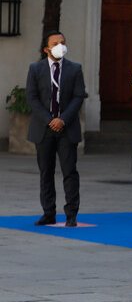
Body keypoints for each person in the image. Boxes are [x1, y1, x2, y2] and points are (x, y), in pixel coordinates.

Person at [26, 30, 87, 227]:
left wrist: (62, 119)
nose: (60, 45)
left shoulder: (75, 69)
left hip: (66, 128)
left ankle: (71, 214)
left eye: (63, 42)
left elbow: (79, 96)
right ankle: (48, 212)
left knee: (70, 171)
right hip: (44, 129)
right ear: (46, 49)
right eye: (55, 43)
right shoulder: (35, 69)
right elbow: (32, 98)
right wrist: (49, 119)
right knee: (46, 172)